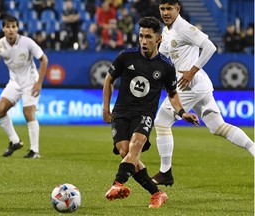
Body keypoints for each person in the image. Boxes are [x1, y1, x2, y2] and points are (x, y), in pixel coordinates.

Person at [152, 0, 255, 187]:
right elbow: (163, 58)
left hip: (189, 84)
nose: (165, 12)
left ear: (178, 9)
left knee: (162, 121)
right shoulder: (167, 31)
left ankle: (165, 172)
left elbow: (210, 47)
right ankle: (253, 148)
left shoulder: (184, 27)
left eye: (169, 8)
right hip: (196, 85)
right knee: (217, 127)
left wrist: (192, 70)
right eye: (162, 9)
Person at [103, 16, 199, 208]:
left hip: (144, 114)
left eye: (148, 37)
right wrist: (105, 108)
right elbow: (108, 80)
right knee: (125, 152)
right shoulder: (126, 56)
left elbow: (172, 94)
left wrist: (182, 113)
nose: (144, 41)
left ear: (159, 39)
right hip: (121, 112)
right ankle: (157, 193)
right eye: (141, 36)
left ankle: (117, 184)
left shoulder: (166, 66)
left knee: (135, 146)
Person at [0, 15, 48, 158]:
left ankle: (34, 151)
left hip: (31, 81)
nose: (11, 30)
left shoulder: (27, 42)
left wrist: (39, 83)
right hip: (15, 82)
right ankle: (15, 141)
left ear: (17, 28)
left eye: (13, 26)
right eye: (8, 27)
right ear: (3, 29)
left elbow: (44, 59)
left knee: (28, 112)